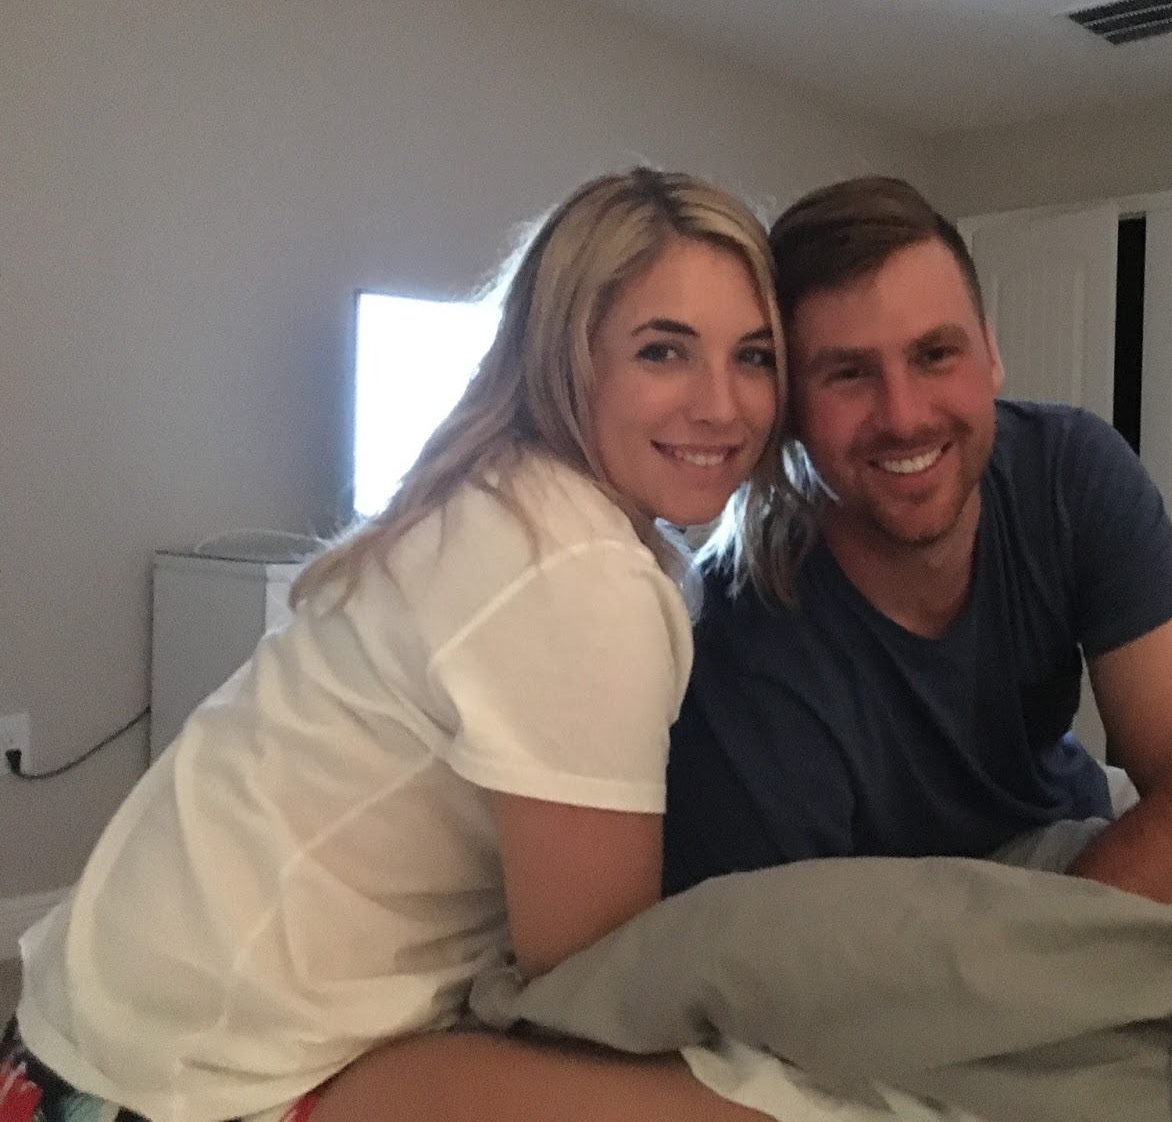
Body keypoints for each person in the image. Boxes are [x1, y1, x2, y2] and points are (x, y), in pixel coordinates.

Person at [3, 168, 783, 1122]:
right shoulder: (573, 568)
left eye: (754, 356)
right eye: (664, 351)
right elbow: (591, 987)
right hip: (182, 1083)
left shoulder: (500, 497)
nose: (723, 406)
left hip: (78, 1030)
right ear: (565, 357)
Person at [665, 174, 1172, 966]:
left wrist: (1105, 935)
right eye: (849, 373)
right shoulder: (740, 622)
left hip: (1061, 849)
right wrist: (1159, 946)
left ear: (991, 355)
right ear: (791, 407)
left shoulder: (1068, 471)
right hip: (892, 914)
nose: (904, 415)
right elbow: (788, 969)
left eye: (935, 354)